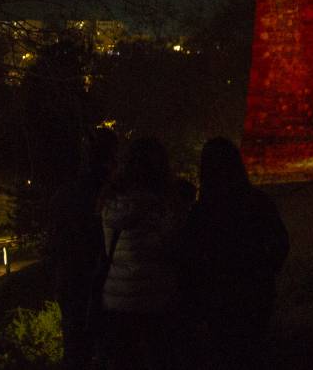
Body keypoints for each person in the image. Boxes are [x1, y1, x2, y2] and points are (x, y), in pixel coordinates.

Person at [182, 137, 289, 370]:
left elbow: (189, 255)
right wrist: (267, 270)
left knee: (223, 355)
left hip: (218, 297)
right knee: (250, 354)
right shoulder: (258, 202)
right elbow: (281, 242)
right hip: (255, 293)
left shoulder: (203, 212)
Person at [98, 137, 185, 370]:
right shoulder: (160, 207)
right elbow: (171, 247)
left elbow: (110, 252)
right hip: (155, 298)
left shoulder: (110, 204)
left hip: (117, 299)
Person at [48, 127, 118, 370]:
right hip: (106, 284)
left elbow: (55, 245)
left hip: (71, 282)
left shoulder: (65, 194)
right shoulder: (114, 196)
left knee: (75, 352)